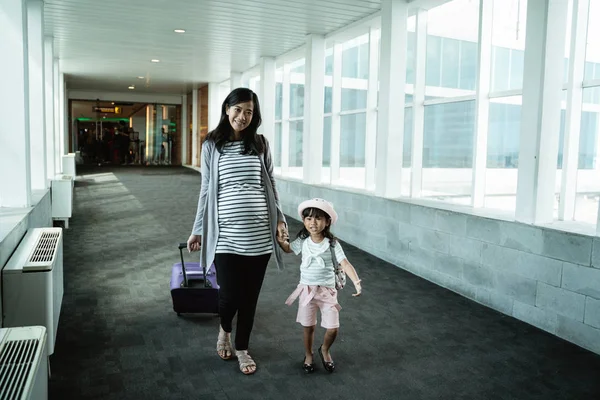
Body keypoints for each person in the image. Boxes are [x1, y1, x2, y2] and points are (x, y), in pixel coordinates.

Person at [187, 88, 288, 376]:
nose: (243, 116)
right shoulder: (212, 145)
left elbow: (271, 185)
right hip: (226, 237)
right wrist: (198, 230)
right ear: (226, 108)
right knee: (229, 295)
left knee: (250, 297)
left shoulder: (260, 144)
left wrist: (280, 220)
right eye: (238, 109)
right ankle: (224, 330)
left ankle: (242, 347)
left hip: (259, 238)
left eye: (249, 112)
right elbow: (205, 190)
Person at [277, 198, 362, 374]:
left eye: (317, 218)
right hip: (306, 291)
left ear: (327, 221)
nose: (312, 222)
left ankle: (324, 349)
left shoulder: (332, 244)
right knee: (308, 326)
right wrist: (280, 240)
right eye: (308, 218)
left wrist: (356, 281)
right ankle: (308, 354)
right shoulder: (303, 240)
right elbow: (288, 249)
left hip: (327, 293)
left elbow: (345, 263)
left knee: (333, 328)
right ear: (304, 221)